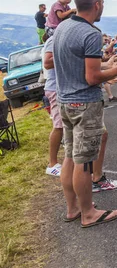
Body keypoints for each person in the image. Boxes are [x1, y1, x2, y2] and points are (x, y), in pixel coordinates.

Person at [53, 0, 117, 226]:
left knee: (70, 157)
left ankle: (72, 209)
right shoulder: (90, 33)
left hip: (66, 101)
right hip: (85, 103)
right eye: (102, 3)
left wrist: (108, 66)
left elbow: (75, 66)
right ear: (97, 4)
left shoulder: (62, 27)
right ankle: (88, 213)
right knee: (84, 162)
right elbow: (92, 78)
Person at [42, 29, 62, 177]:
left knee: (62, 126)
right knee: (59, 126)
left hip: (59, 87)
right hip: (54, 88)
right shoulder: (52, 40)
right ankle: (52, 164)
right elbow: (48, 62)